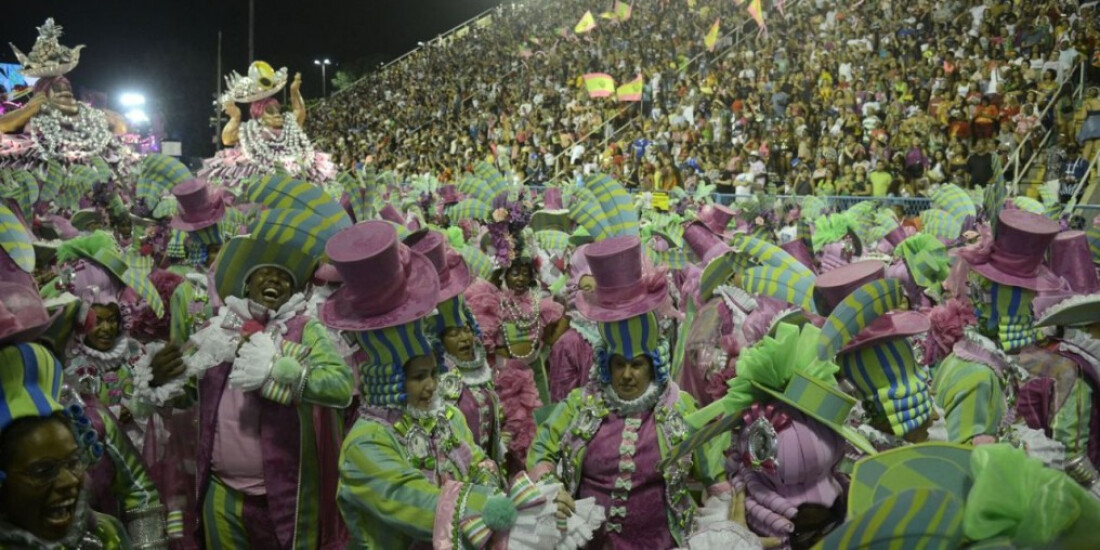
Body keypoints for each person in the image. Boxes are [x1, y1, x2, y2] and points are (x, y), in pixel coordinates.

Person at [320, 221, 573, 549]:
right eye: (417, 378)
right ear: (389, 381)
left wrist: (516, 493)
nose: (430, 387)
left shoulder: (445, 417)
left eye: (432, 374)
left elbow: (480, 460)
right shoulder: (365, 444)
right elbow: (418, 502)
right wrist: (498, 506)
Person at [149, 208, 354, 550]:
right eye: (265, 274)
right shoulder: (219, 329)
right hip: (221, 494)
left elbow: (340, 387)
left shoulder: (305, 329)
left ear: (293, 290)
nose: (274, 281)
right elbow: (188, 400)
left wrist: (280, 369)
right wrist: (161, 379)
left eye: (283, 277)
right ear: (247, 283)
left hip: (285, 497)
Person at [528, 235, 731, 549]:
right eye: (618, 364)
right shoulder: (580, 404)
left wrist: (721, 512)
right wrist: (551, 488)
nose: (626, 375)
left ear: (652, 365)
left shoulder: (680, 407)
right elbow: (541, 451)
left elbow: (714, 475)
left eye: (636, 365)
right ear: (606, 363)